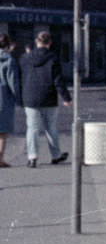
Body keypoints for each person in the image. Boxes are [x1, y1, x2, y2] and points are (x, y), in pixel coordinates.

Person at [20, 31, 72, 167]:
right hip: (49, 97)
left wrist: (20, 97)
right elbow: (58, 81)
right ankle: (55, 155)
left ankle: (32, 158)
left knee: (32, 128)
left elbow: (21, 78)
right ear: (50, 43)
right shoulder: (53, 59)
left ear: (36, 42)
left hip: (30, 98)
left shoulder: (25, 58)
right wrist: (66, 98)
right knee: (51, 128)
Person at [0, 33, 21, 168]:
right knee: (2, 131)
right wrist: (19, 99)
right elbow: (13, 83)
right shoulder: (9, 60)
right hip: (3, 99)